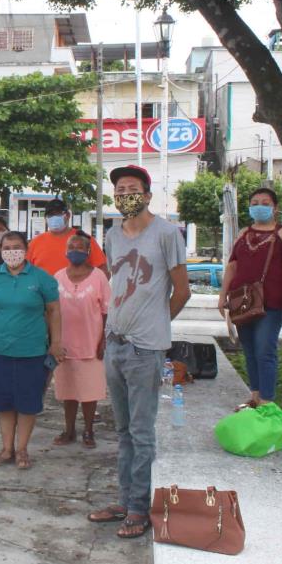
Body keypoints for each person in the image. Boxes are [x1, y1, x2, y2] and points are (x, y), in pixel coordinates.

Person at [88, 165, 190, 539]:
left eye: (132, 188)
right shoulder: (113, 235)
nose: (124, 194)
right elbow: (117, 286)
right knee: (122, 430)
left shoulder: (166, 233)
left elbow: (182, 290)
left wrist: (158, 325)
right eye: (119, 189)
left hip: (146, 349)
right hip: (115, 343)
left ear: (147, 195)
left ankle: (139, 508)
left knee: (142, 431)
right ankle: (126, 499)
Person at [0, 232, 62, 468]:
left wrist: (56, 343)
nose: (12, 251)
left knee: (27, 403)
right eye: (7, 247)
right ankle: (6, 449)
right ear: (0, 250)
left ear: (26, 249)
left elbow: (54, 311)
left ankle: (22, 450)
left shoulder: (42, 279)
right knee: (4, 402)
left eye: (17, 247)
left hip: (32, 351)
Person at [218, 187, 282, 410]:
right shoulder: (244, 233)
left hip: (272, 303)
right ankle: (254, 396)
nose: (259, 206)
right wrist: (222, 295)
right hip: (241, 301)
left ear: (274, 208)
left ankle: (267, 400)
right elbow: (232, 266)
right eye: (255, 202)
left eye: (265, 203)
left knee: (265, 349)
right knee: (250, 350)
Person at [53, 231, 111, 449]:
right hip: (64, 344)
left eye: (80, 248)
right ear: (66, 251)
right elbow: (51, 309)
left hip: (91, 343)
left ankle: (88, 430)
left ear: (88, 252)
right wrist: (53, 340)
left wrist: (103, 339)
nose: (75, 251)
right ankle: (69, 431)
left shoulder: (99, 277)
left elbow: (107, 311)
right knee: (68, 391)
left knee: (89, 391)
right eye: (72, 247)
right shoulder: (58, 277)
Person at [26, 199, 109, 278]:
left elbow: (103, 272)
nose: (54, 217)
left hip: (77, 292)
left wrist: (86, 289)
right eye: (50, 215)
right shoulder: (35, 243)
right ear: (46, 219)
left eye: (58, 213)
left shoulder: (84, 239)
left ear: (68, 215)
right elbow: (24, 272)